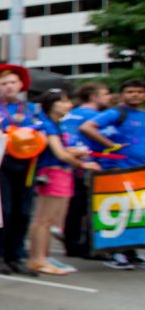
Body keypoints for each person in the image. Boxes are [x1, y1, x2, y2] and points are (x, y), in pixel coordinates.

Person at [0, 64, 45, 277]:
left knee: (23, 212)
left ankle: (15, 256)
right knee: (2, 211)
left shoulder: (32, 109)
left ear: (21, 84)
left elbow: (42, 131)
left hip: (27, 164)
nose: (9, 87)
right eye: (3, 83)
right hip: (0, 164)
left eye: (13, 82)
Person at [27, 90, 100, 275]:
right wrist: (83, 163)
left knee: (48, 220)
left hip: (60, 173)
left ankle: (43, 256)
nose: (68, 105)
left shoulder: (55, 124)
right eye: (63, 101)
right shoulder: (49, 125)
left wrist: (74, 155)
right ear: (52, 104)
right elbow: (59, 154)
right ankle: (38, 259)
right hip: (53, 173)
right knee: (44, 220)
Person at [80, 79, 145, 270]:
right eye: (131, 91)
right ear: (123, 94)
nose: (135, 95)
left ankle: (131, 252)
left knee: (135, 213)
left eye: (140, 92)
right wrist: (111, 146)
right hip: (117, 170)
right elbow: (87, 127)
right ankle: (116, 253)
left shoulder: (142, 114)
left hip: (138, 172)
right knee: (117, 212)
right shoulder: (116, 112)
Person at [59, 82, 113, 258]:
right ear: (93, 97)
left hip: (69, 165)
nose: (108, 98)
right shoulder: (96, 116)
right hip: (89, 165)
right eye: (105, 94)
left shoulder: (69, 114)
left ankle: (72, 245)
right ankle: (89, 247)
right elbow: (111, 137)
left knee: (74, 208)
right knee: (88, 208)